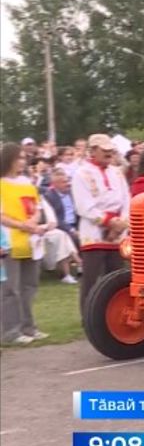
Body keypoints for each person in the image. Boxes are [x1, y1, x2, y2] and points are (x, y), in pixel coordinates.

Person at [72, 134, 130, 314]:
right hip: (93, 232)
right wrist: (108, 222)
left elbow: (126, 198)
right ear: (93, 151)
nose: (108, 153)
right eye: (104, 150)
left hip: (118, 231)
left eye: (110, 150)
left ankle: (112, 313)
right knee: (91, 277)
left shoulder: (117, 173)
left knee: (116, 275)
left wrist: (122, 222)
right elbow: (84, 206)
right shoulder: (82, 173)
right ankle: (89, 315)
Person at [0, 142, 47, 344]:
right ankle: (11, 330)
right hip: (10, 241)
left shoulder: (27, 183)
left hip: (30, 240)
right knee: (11, 289)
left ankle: (29, 326)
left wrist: (33, 222)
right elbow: (2, 216)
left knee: (29, 286)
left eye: (23, 157)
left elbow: (37, 207)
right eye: (19, 157)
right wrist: (23, 225)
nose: (22, 161)